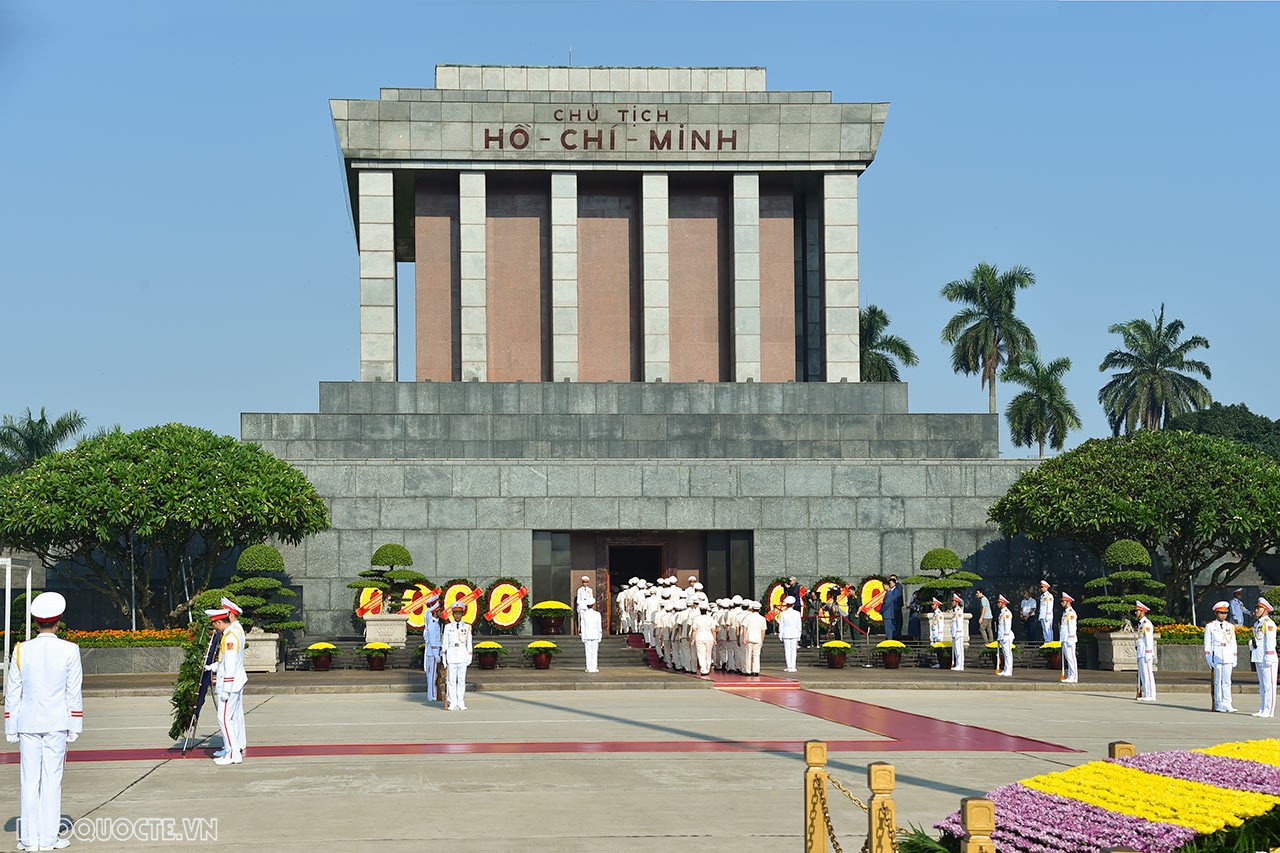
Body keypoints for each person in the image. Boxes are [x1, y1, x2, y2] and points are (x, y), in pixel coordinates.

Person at [5, 591, 82, 853]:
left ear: (36, 622)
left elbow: (12, 692)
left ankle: (29, 840)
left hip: (28, 723)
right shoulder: (70, 649)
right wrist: (75, 725)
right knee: (52, 780)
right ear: (58, 622)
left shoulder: (21, 650)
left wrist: (10, 726)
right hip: (57, 722)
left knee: (29, 780)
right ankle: (48, 839)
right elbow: (74, 691)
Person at [206, 604, 247, 765]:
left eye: (214, 624)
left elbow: (230, 665)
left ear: (218, 622)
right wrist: (214, 666)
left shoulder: (230, 637)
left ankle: (232, 754)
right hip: (233, 681)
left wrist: (226, 689)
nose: (214, 628)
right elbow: (227, 661)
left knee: (224, 718)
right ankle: (231, 748)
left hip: (230, 683)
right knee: (229, 718)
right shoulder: (232, 633)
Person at [1204, 601, 1238, 713]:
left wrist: (1234, 656)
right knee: (1217, 682)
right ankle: (1218, 704)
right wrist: (1208, 657)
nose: (1223, 615)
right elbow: (1207, 643)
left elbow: (1233, 642)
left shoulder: (1230, 626)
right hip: (1217, 654)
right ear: (1216, 613)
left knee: (1227, 681)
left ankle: (1228, 703)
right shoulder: (1210, 626)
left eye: (1225, 613)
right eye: (1221, 613)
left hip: (1228, 654)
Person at [441, 602, 473, 710]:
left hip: (462, 655)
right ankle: (453, 702)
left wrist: (469, 657)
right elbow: (444, 644)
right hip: (451, 656)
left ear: (462, 614)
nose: (457, 615)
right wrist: (444, 659)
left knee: (461, 680)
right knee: (451, 681)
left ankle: (461, 702)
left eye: (459, 613)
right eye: (455, 613)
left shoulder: (467, 627)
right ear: (453, 614)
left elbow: (469, 643)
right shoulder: (447, 627)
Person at [1251, 598, 1277, 718]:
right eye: (1256, 608)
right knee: (1262, 685)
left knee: (1269, 686)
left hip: (1268, 657)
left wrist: (1269, 656)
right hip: (1258, 656)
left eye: (1259, 608)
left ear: (1265, 610)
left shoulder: (1269, 623)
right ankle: (1262, 708)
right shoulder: (1258, 624)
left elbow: (1271, 642)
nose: (1256, 610)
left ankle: (1269, 710)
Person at [422, 593, 443, 702]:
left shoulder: (434, 623)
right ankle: (432, 695)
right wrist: (436, 654)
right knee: (432, 676)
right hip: (433, 652)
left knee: (432, 675)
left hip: (432, 651)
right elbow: (433, 641)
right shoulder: (433, 625)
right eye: (439, 611)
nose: (441, 613)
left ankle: (432, 694)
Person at [1135, 600, 1157, 702]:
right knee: (1143, 674)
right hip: (1141, 652)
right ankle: (1147, 694)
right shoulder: (1140, 624)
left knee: (1148, 674)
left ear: (1143, 611)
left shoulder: (1146, 623)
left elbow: (1148, 639)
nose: (1136, 613)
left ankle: (1151, 695)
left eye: (1138, 611)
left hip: (1146, 652)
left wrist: (1148, 652)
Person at [741, 601, 767, 677]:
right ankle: (755, 670)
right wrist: (762, 639)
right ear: (759, 610)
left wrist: (745, 637)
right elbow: (763, 630)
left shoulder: (748, 617)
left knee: (748, 655)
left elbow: (744, 627)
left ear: (752, 609)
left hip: (749, 638)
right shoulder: (762, 618)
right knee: (756, 655)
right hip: (758, 638)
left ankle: (748, 670)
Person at [777, 596, 802, 673]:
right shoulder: (797, 613)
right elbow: (799, 625)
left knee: (787, 651)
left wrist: (780, 634)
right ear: (793, 604)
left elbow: (781, 625)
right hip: (795, 633)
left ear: (787, 604)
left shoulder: (783, 614)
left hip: (786, 634)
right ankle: (793, 666)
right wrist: (799, 634)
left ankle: (789, 666)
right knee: (794, 651)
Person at [580, 596, 603, 673]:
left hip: (587, 635)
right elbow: (599, 626)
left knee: (588, 652)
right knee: (594, 652)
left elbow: (582, 626)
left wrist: (582, 637)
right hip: (595, 635)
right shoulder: (597, 614)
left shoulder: (583, 614)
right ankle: (594, 667)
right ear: (593, 605)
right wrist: (600, 636)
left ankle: (589, 668)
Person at [1059, 592, 1079, 684]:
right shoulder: (1065, 613)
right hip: (1065, 638)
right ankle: (1070, 675)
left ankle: (1074, 677)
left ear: (1068, 602)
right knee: (1068, 658)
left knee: (1071, 658)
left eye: (1063, 601)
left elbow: (1072, 627)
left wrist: (1071, 638)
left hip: (1069, 638)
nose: (1061, 603)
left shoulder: (1071, 613)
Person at [995, 595, 1014, 677]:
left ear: (1003, 603)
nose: (997, 604)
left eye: (999, 602)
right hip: (1002, 636)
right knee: (1005, 654)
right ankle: (1006, 669)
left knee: (1008, 654)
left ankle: (1009, 670)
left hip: (1006, 636)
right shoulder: (1002, 613)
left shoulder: (1007, 613)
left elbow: (1007, 625)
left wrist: (1006, 635)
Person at [882, 576, 902, 642]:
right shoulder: (890, 592)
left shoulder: (894, 591)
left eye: (890, 583)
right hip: (891, 612)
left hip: (892, 612)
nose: (890, 585)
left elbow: (887, 603)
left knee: (890, 629)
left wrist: (881, 610)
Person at [949, 593, 966, 671]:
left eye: (953, 601)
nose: (952, 602)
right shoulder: (955, 611)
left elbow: (959, 622)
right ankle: (958, 664)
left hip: (958, 633)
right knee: (956, 650)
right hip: (955, 633)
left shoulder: (959, 611)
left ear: (957, 602)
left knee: (959, 650)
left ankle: (960, 665)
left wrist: (958, 632)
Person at [927, 598, 945, 668]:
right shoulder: (935, 613)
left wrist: (940, 634)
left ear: (937, 605)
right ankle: (938, 662)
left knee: (939, 650)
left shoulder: (939, 614)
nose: (932, 606)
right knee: (936, 650)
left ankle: (940, 662)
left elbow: (940, 624)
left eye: (933, 604)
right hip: (935, 634)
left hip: (938, 634)